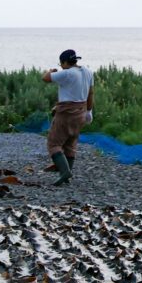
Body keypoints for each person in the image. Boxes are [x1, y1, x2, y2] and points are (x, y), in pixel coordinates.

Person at [43, 49, 94, 186]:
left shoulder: (67, 73)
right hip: (81, 112)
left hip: (66, 113)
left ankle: (65, 172)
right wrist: (89, 111)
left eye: (61, 64)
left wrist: (51, 71)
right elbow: (91, 93)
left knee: (54, 144)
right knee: (70, 144)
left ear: (65, 62)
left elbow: (45, 78)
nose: (61, 66)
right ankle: (67, 175)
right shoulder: (88, 72)